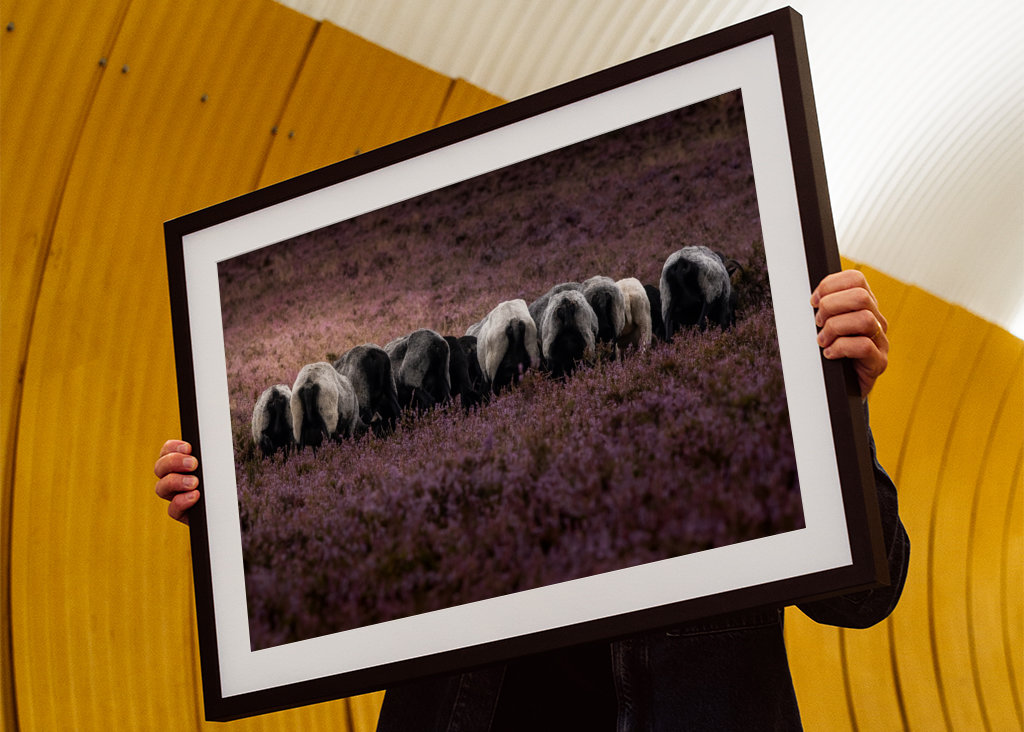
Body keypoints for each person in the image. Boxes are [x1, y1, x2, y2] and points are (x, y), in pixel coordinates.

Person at [154, 270, 908, 731]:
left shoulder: (741, 413)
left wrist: (839, 405)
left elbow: (866, 594)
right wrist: (235, 518)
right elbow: (351, 567)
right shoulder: (460, 455)